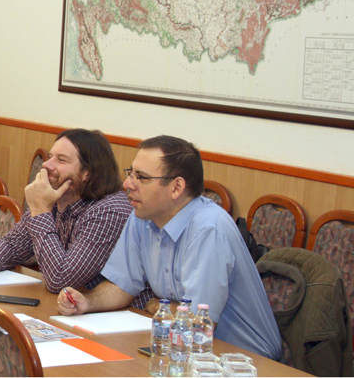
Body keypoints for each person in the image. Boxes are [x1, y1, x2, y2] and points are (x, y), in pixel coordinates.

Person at [57, 135, 282, 360]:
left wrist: (158, 305)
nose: (127, 184)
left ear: (176, 187)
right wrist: (87, 302)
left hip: (246, 360)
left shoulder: (209, 228)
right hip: (185, 349)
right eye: (131, 173)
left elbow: (197, 323)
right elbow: (122, 285)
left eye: (141, 177)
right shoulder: (142, 217)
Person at [0, 129, 147, 305]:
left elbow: (60, 280)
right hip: (72, 308)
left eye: (61, 160)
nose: (47, 165)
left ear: (87, 173)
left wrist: (40, 210)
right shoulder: (55, 196)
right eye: (51, 156)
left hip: (116, 315)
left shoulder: (109, 211)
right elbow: (15, 243)